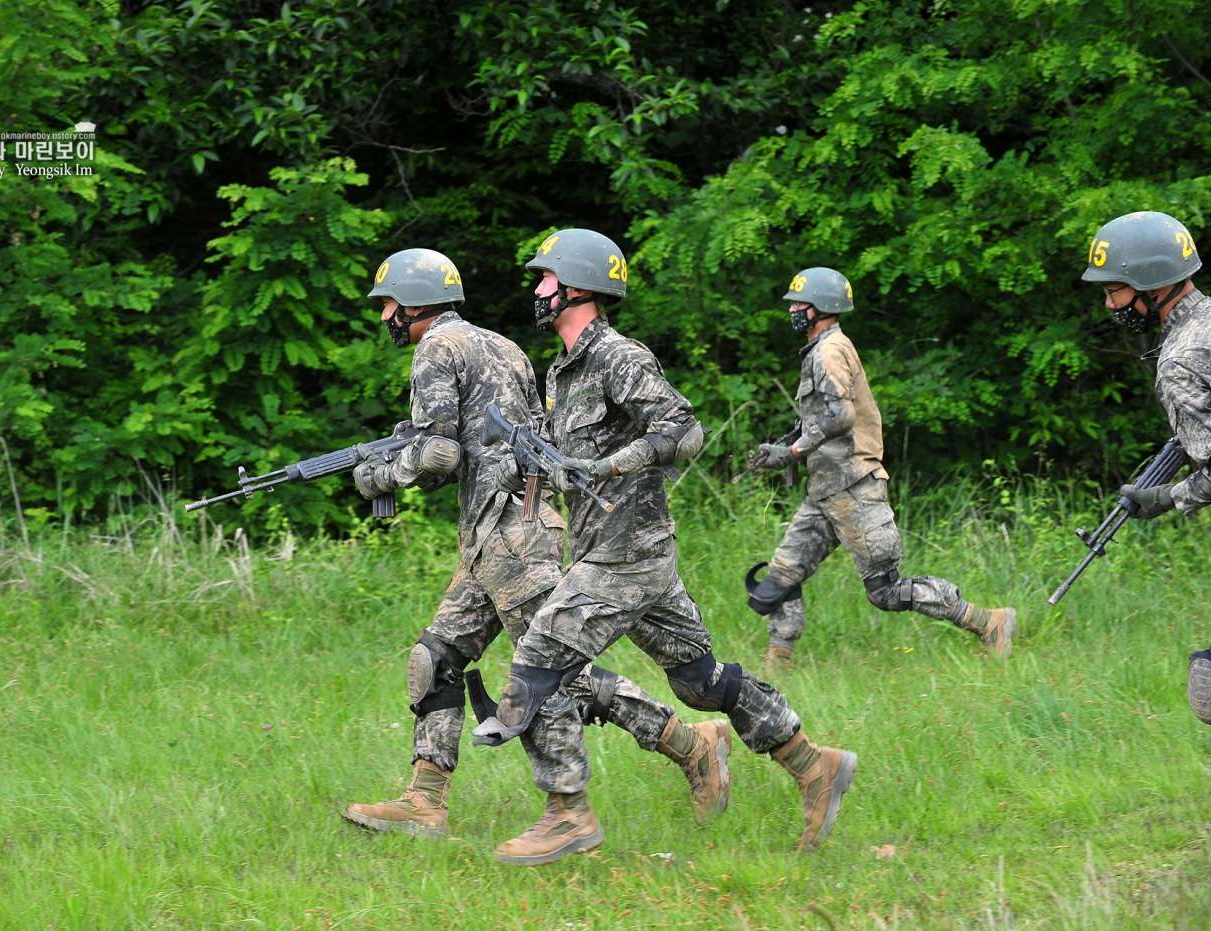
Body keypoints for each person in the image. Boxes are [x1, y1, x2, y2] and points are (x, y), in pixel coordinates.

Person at [474, 230, 856, 865]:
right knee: (698, 681)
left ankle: (566, 813)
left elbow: (684, 431)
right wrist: (532, 456)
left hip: (625, 554)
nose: (536, 288)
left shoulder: (620, 357)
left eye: (545, 278)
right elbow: (572, 458)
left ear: (576, 286)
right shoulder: (564, 369)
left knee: (538, 655)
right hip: (626, 551)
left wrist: (613, 466)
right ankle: (813, 764)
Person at [341, 248, 733, 840]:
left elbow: (440, 454)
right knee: (435, 659)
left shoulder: (435, 350)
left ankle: (687, 747)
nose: (384, 317)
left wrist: (379, 476)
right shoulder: (504, 347)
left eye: (389, 304)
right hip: (502, 531)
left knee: (554, 676)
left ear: (417, 302)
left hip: (511, 536)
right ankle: (425, 801)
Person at [745, 268, 1016, 668]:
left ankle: (988, 622)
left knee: (884, 591)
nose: (791, 308)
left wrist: (795, 453)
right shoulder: (823, 348)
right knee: (781, 576)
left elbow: (840, 416)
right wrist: (787, 444)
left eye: (798, 303)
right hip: (826, 489)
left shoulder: (828, 351)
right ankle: (778, 663)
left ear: (820, 308)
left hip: (854, 488)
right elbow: (823, 417)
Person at [1080, 211, 1211, 726]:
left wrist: (1168, 498)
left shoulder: (1180, 359)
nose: (1109, 304)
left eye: (1115, 291)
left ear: (1152, 285)